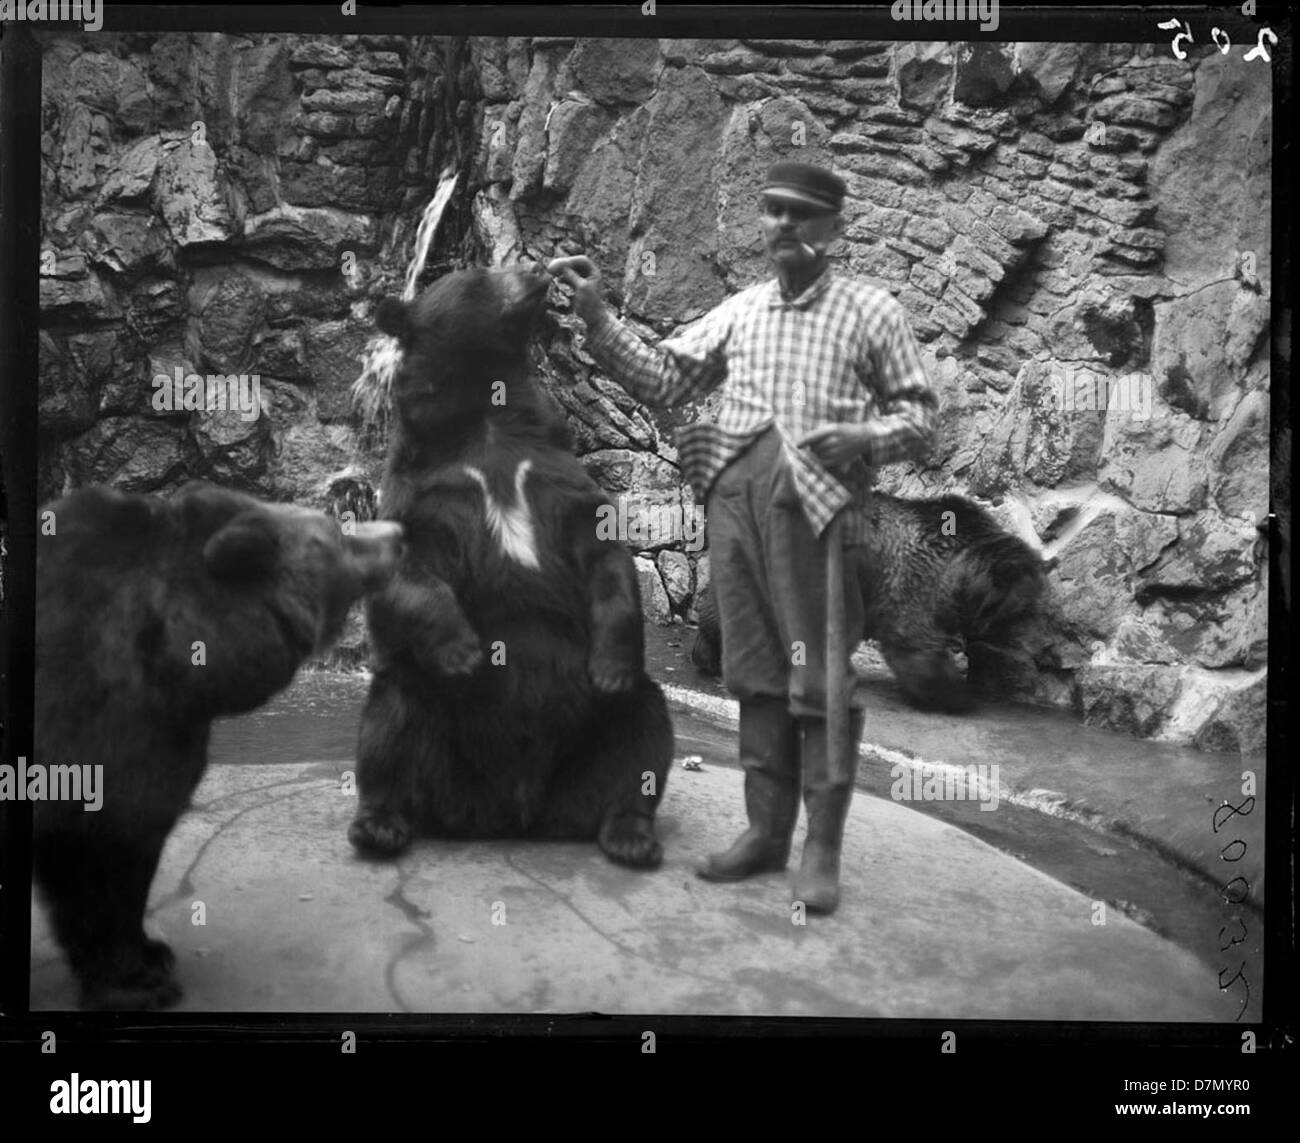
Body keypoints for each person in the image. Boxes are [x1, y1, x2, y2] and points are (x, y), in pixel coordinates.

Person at [548, 161, 938, 915]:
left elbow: (920, 422)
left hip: (816, 517)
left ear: (834, 225)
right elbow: (665, 379)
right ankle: (765, 832)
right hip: (735, 510)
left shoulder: (872, 312)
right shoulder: (744, 310)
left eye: (799, 212)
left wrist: (861, 433)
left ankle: (819, 847)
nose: (782, 225)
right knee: (752, 675)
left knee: (818, 683)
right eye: (770, 212)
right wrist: (597, 316)